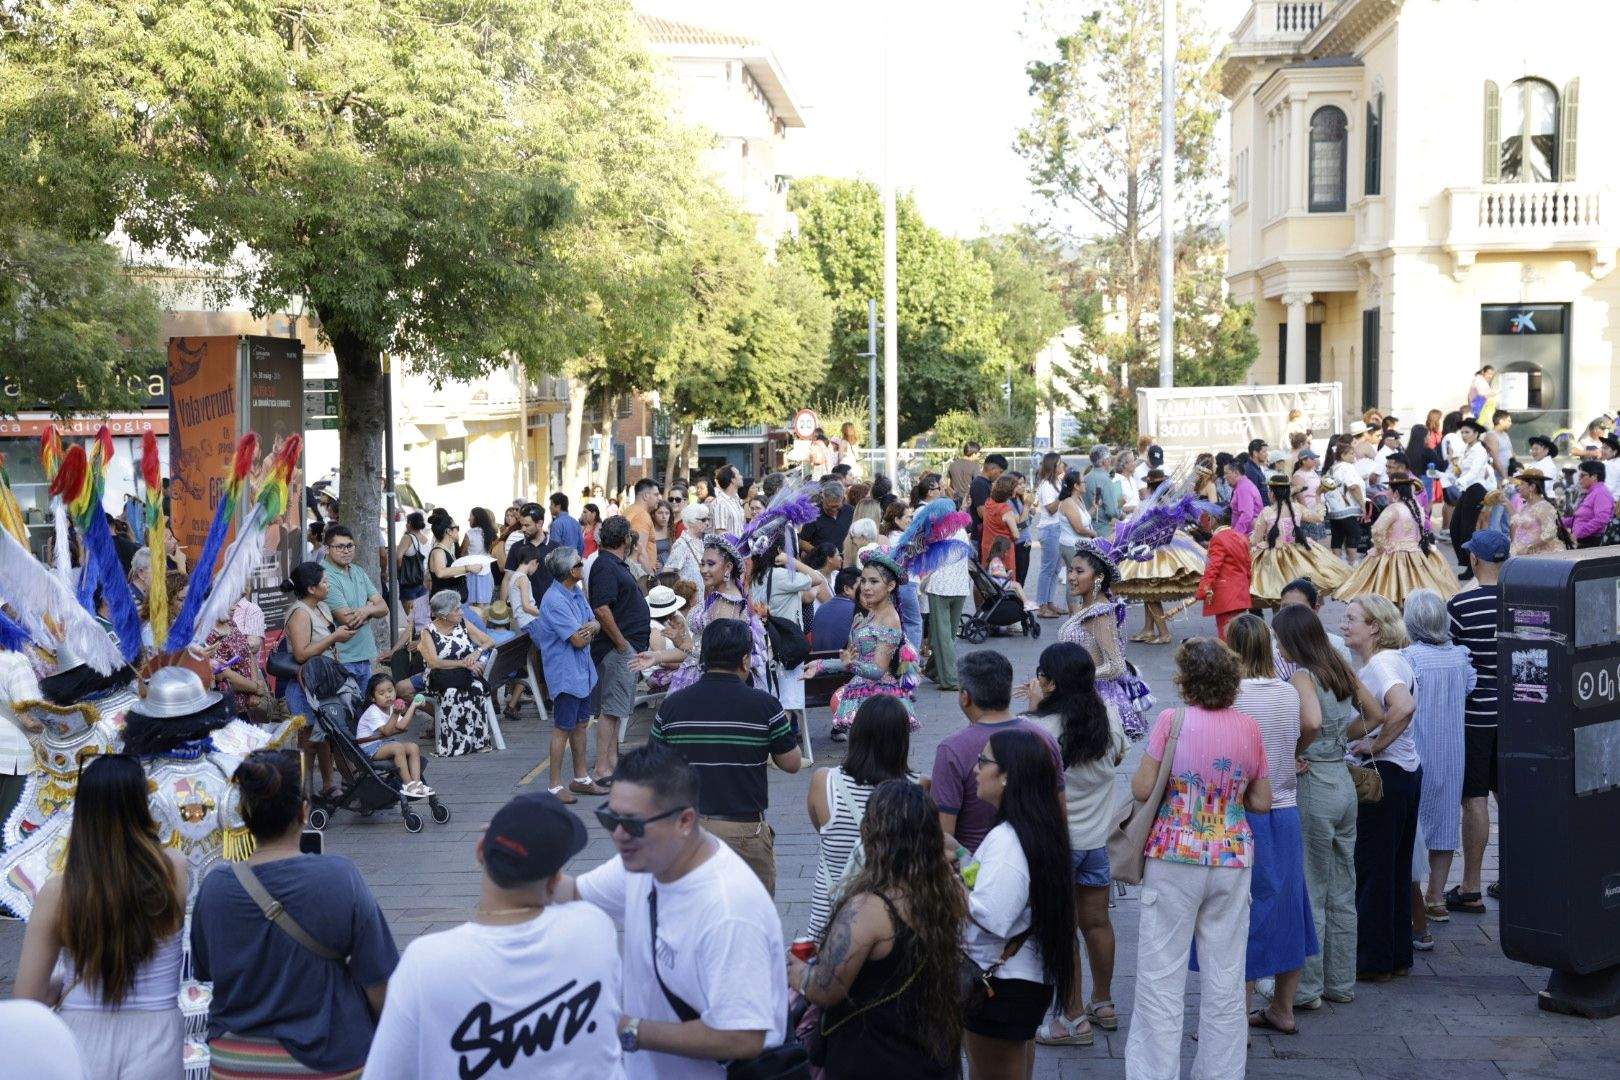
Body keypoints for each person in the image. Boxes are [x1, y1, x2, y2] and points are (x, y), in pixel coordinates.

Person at [552, 743, 791, 1080]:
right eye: (610, 817)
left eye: (633, 824)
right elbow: (575, 892)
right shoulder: (643, 861)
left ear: (684, 821)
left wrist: (628, 1029)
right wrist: (517, 857)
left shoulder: (728, 909)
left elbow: (742, 1036)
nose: (618, 835)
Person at [364, 790, 625, 1077]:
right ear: (555, 878)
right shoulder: (594, 928)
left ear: (479, 852)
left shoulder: (425, 962)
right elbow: (570, 891)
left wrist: (502, 844)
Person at [192, 750, 398, 1077]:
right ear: (304, 812)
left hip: (237, 1062)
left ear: (243, 815)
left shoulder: (215, 887)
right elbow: (378, 981)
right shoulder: (339, 877)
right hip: (329, 1056)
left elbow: (205, 970)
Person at [1123, 639, 1271, 1080]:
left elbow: (1142, 789)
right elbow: (1261, 801)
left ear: (1187, 680)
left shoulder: (1172, 720)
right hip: (1231, 859)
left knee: (1159, 975)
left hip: (1174, 854)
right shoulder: (1249, 728)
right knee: (1225, 980)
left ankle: (1153, 1073)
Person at [13, 755, 187, 1080]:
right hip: (157, 1036)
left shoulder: (57, 894)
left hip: (79, 1040)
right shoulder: (174, 870)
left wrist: (65, 982)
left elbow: (27, 999)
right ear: (141, 805)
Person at [790, 779, 963, 1078]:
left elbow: (826, 989)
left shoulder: (869, 909)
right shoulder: (948, 892)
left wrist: (798, 973)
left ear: (873, 833)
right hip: (932, 1055)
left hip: (872, 1058)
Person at [1021, 643, 1127, 1046]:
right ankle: (1104, 1003)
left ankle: (1073, 1017)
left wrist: (1033, 710)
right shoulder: (1108, 718)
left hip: (1056, 846)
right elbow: (1116, 759)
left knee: (1062, 931)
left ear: (1048, 682)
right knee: (1097, 922)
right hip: (1097, 843)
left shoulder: (1037, 729)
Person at [650, 619, 801, 896]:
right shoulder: (765, 705)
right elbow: (791, 763)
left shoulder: (671, 707)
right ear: (745, 661)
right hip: (744, 832)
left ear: (704, 659)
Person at [961, 728, 1078, 1079]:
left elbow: (992, 914)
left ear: (1008, 775)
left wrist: (948, 889)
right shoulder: (1034, 829)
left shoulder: (1009, 840)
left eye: (983, 761)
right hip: (1019, 981)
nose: (975, 770)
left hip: (1001, 986)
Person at [1273, 603, 1373, 1010]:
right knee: (1342, 886)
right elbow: (1377, 711)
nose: (1277, 647)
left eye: (1279, 639)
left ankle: (1308, 987)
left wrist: (1300, 749)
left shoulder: (1303, 675)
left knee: (1311, 887)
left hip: (1314, 780)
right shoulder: (1339, 667)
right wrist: (1340, 739)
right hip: (1343, 782)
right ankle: (1340, 982)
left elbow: (1310, 722)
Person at [1221, 616, 1316, 1036]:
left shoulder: (1230, 697)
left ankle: (1236, 1015)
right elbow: (1311, 725)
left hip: (1242, 813)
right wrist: (1295, 753)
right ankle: (1283, 1006)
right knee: (1290, 907)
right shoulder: (1286, 692)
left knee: (1243, 912)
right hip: (1285, 806)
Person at [1340, 595, 1421, 981]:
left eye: (1352, 618)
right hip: (1402, 773)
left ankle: (1373, 961)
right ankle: (1395, 956)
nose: (1344, 624)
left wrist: (1375, 744)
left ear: (1375, 627)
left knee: (1374, 868)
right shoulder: (1392, 660)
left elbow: (1402, 707)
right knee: (1393, 868)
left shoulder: (1384, 662)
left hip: (1385, 775)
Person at [804, 695, 919, 939]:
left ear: (857, 734)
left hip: (829, 923)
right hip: (889, 928)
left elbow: (821, 828)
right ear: (902, 741)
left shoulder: (824, 782)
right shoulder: (918, 789)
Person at [1400, 589, 1476, 949]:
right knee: (1446, 820)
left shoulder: (1409, 658)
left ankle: (1415, 896)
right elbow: (1471, 686)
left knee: (1414, 825)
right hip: (1452, 751)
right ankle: (1437, 896)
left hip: (1418, 749)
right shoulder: (1460, 657)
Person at [931, 651, 1060, 855]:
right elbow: (1058, 814)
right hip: (1038, 863)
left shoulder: (952, 749)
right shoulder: (1045, 738)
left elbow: (943, 838)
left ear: (965, 697)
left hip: (975, 874)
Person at [1447, 528, 1507, 914]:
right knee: (1514, 799)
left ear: (1474, 560)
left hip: (1476, 718)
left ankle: (1470, 885)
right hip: (1520, 718)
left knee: (1475, 799)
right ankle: (1517, 877)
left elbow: (1454, 663)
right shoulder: (1523, 600)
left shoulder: (1461, 605)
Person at [804, 550, 918, 739]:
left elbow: (878, 671)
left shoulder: (890, 619)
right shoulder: (867, 615)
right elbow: (853, 658)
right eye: (863, 581)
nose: (866, 587)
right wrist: (821, 665)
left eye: (874, 582)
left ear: (890, 585)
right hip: (861, 693)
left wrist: (850, 664)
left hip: (880, 700)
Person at [534, 546, 606, 801]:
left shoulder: (575, 591)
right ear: (569, 571)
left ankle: (580, 777)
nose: (582, 565)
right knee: (562, 728)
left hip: (582, 672)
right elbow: (577, 639)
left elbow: (593, 622)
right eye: (578, 563)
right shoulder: (554, 600)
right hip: (565, 674)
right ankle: (554, 785)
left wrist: (592, 628)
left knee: (580, 725)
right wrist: (589, 630)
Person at [1059, 540, 1152, 739]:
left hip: (1092, 701)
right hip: (1079, 695)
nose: (1072, 577)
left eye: (1079, 571)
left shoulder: (1099, 613)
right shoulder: (1087, 607)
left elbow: (1116, 666)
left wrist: (1076, 678)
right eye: (1070, 570)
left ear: (1099, 577)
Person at [282, 560, 360, 795]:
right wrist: (334, 637)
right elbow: (301, 653)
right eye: (324, 582)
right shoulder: (299, 613)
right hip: (305, 685)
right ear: (311, 589)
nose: (329, 586)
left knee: (326, 734)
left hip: (324, 684)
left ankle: (328, 785)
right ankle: (302, 793)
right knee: (308, 740)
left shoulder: (322, 608)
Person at [588, 516, 652, 782]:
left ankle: (612, 762)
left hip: (625, 647)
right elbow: (601, 608)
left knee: (616, 709)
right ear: (626, 539)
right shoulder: (605, 565)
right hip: (618, 649)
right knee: (611, 710)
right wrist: (622, 644)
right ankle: (602, 768)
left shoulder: (612, 564)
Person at [1335, 475, 1460, 604]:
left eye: (1388, 490)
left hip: (1393, 554)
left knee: (1386, 591)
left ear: (1396, 492)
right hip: (1415, 553)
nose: (1386, 493)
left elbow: (1377, 530)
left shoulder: (1394, 508)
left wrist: (1382, 547)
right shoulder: (1417, 507)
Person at [748, 534, 826, 723]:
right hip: (786, 644)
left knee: (771, 698)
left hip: (764, 643)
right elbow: (817, 578)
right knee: (787, 702)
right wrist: (792, 561)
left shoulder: (756, 577)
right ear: (779, 552)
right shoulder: (781, 576)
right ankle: (781, 747)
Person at [1250, 475, 1350, 604]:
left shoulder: (1267, 512)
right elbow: (1319, 518)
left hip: (1273, 557)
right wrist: (1318, 496)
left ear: (1272, 493)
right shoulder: (1296, 508)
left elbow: (1255, 540)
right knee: (1303, 589)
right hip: (1298, 553)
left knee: (1276, 593)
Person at [420, 589, 496, 757]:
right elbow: (433, 662)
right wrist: (463, 663)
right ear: (443, 615)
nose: (461, 612)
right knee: (451, 693)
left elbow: (489, 641)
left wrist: (477, 653)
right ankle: (452, 745)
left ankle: (478, 742)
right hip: (441, 676)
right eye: (456, 609)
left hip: (464, 674)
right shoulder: (428, 632)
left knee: (477, 688)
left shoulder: (462, 623)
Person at [318, 524, 387, 687]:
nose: (346, 550)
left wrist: (365, 609)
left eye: (350, 546)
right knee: (347, 711)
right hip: (341, 658)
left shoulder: (358, 570)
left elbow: (384, 608)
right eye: (340, 547)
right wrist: (371, 607)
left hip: (365, 655)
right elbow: (348, 620)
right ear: (327, 549)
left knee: (365, 710)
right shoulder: (324, 575)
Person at [356, 674, 432, 797]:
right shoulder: (373, 711)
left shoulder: (391, 707)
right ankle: (408, 784)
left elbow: (402, 726)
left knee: (413, 747)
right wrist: (395, 714)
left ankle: (417, 783)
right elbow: (387, 731)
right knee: (398, 748)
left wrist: (413, 705)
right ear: (373, 698)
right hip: (370, 747)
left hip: (384, 743)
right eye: (382, 693)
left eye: (390, 691)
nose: (387, 695)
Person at [1447, 418, 1495, 576]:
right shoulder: (1467, 449)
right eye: (1462, 432)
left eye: (1467, 432)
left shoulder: (1480, 450)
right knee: (1455, 527)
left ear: (1476, 433)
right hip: (1467, 490)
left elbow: (1474, 472)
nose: (1464, 435)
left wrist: (1460, 481)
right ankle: (1468, 563)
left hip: (1475, 489)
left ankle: (1472, 566)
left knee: (1467, 529)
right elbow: (1461, 470)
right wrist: (1453, 473)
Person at [1194, 507, 1251, 641]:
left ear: (1214, 519)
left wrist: (1202, 590)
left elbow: (1212, 568)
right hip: (1241, 593)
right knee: (1240, 635)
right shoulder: (1241, 536)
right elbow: (1248, 568)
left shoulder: (1218, 539)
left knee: (1226, 636)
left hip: (1225, 596)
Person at [1507, 465, 1572, 555]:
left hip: (1542, 556)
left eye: (1521, 484)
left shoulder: (1544, 507)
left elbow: (1549, 533)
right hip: (1523, 554)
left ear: (1532, 487)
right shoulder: (1525, 506)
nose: (1518, 488)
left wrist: (1529, 547)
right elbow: (1517, 527)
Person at [1322, 442, 1367, 564]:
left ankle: (1337, 565)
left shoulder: (1332, 468)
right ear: (1343, 455)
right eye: (1351, 454)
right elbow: (1353, 487)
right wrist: (1363, 505)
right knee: (1354, 534)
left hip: (1334, 510)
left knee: (1337, 536)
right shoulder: (1346, 467)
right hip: (1347, 509)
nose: (1354, 456)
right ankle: (1352, 564)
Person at [1566, 460, 1615, 547]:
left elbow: (1602, 519)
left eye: (1582, 475)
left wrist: (1578, 533)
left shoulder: (1601, 493)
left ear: (1594, 477)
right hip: (1583, 539)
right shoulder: (1591, 492)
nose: (1579, 478)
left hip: (1592, 542)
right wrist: (1559, 521)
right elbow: (1580, 518)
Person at [810, 567, 860, 653]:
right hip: (841, 663)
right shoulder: (857, 611)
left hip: (817, 663)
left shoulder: (821, 608)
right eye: (861, 585)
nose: (866, 589)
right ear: (847, 589)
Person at [799, 479, 854, 553]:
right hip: (822, 562)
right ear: (822, 499)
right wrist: (818, 553)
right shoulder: (813, 514)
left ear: (843, 499)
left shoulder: (850, 511)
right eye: (830, 507)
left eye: (836, 506)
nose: (834, 510)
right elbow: (802, 541)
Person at [622, 478, 663, 574]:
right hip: (641, 577)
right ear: (645, 496)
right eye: (656, 494)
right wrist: (652, 578)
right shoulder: (642, 516)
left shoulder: (629, 510)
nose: (659, 498)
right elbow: (640, 551)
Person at [459, 506, 499, 605]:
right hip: (487, 572)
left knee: (471, 604)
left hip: (471, 573)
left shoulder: (470, 533)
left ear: (476, 518)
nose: (469, 519)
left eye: (470, 516)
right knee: (485, 604)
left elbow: (462, 553)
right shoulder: (492, 533)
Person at [666, 502, 708, 590]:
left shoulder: (703, 541)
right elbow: (667, 574)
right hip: (687, 599)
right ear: (691, 521)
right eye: (703, 520)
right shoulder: (682, 544)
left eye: (708, 519)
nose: (707, 523)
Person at [1083, 447, 1121, 538]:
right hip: (1103, 530)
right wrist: (1121, 514)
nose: (1110, 460)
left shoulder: (1085, 478)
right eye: (1109, 458)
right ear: (1105, 461)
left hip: (1088, 528)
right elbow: (1112, 512)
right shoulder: (1105, 480)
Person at [395, 510, 429, 610]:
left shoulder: (408, 538)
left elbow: (398, 557)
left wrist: (400, 571)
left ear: (409, 523)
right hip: (422, 580)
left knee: (411, 618)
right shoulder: (425, 539)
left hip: (409, 581)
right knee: (420, 616)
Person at [1225, 458, 1263, 537]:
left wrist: (1235, 535)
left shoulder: (1243, 488)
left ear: (1236, 473)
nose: (1225, 477)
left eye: (1226, 473)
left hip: (1246, 535)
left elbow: (1246, 514)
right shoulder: (1242, 485)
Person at [549, 492, 584, 556]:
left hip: (561, 563)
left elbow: (554, 548)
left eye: (551, 504)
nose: (550, 507)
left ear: (558, 506)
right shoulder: (575, 522)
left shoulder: (557, 523)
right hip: (575, 561)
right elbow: (581, 545)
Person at [947, 442, 982, 506]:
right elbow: (978, 486)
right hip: (968, 502)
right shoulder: (975, 466)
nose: (979, 454)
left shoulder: (952, 465)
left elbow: (948, 485)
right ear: (973, 454)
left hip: (954, 501)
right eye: (979, 452)